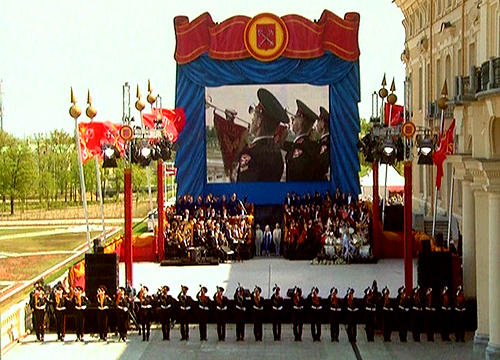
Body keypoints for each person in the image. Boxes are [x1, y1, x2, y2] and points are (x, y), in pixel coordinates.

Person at [234, 88, 289, 182]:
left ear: (259, 122)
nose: (252, 119)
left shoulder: (250, 153)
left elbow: (244, 189)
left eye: (254, 114)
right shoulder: (277, 153)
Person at [284, 99, 320, 182]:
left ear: (300, 124)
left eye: (295, 117)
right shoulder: (310, 144)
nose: (292, 120)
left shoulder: (300, 148)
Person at [315, 106, 330, 180]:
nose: (316, 124)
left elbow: (321, 165)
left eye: (319, 121)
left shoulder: (325, 143)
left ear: (323, 124)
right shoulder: (323, 141)